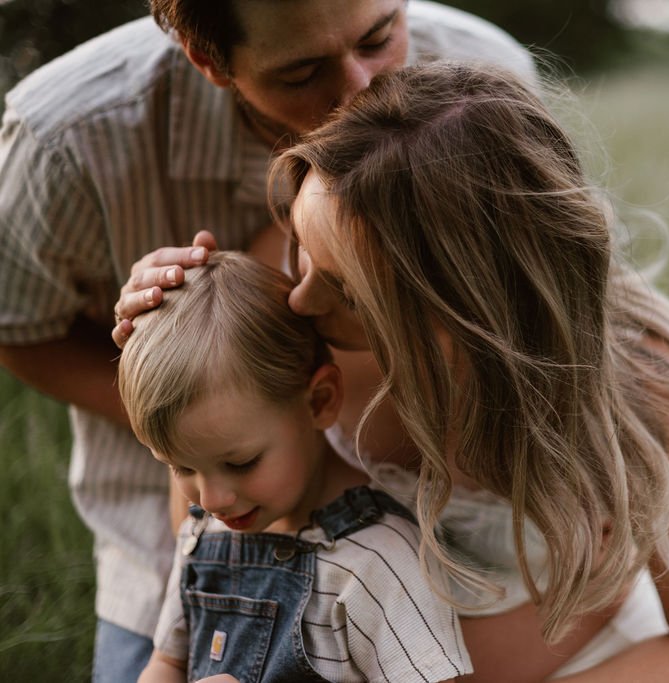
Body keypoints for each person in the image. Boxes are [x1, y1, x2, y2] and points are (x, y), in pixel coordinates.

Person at [119, 62, 669, 681]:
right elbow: (210, 517)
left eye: (345, 292)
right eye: (300, 248)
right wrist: (177, 336)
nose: (299, 297)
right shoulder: (300, 318)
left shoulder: (641, 393)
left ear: (462, 313)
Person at [0, 1, 535, 679]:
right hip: (171, 537)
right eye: (303, 70)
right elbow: (17, 328)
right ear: (211, 62)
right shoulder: (63, 137)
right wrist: (200, 416)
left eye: (379, 36)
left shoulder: (485, 77)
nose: (358, 89)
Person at [119, 251, 468, 682]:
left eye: (240, 462)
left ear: (320, 402)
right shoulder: (205, 538)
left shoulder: (376, 561)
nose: (211, 499)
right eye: (180, 468)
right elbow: (168, 660)